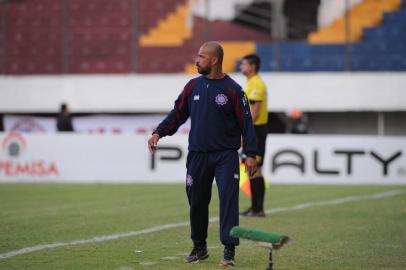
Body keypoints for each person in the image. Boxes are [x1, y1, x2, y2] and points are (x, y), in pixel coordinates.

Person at [147, 41, 258, 267]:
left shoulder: (233, 90)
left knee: (228, 199)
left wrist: (251, 153)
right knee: (197, 202)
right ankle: (200, 247)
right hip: (197, 155)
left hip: (226, 155)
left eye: (201, 56)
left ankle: (229, 250)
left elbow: (247, 123)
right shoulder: (192, 86)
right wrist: (159, 131)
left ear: (214, 60)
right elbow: (177, 114)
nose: (196, 60)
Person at [239, 54, 268, 217]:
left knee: (255, 168)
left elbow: (254, 113)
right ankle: (255, 207)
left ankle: (258, 208)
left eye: (244, 64)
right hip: (253, 130)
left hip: (256, 130)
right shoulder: (251, 83)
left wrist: (244, 130)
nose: (241, 66)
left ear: (252, 66)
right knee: (252, 168)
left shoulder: (256, 83)